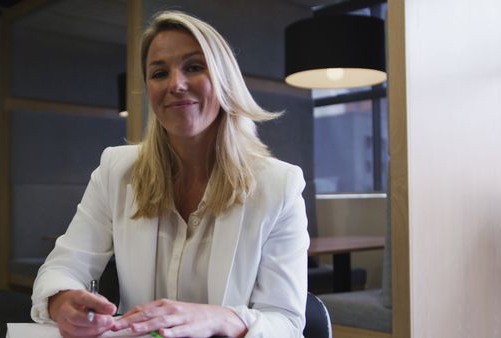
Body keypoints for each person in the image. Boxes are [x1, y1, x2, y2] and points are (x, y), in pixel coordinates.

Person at [31, 10, 309, 338]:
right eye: (159, 73)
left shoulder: (279, 184)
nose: (175, 84)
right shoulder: (115, 170)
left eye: (193, 67)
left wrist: (217, 318)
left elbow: (286, 322)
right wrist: (62, 301)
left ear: (225, 80)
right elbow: (63, 266)